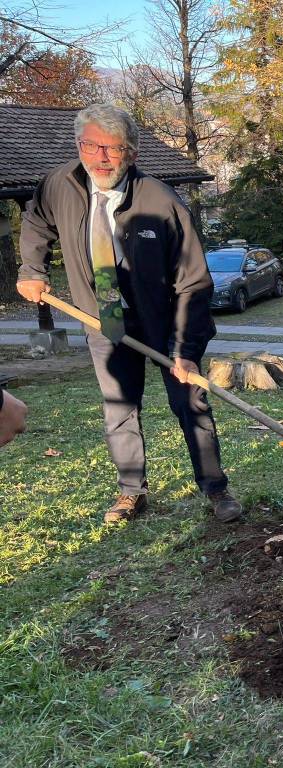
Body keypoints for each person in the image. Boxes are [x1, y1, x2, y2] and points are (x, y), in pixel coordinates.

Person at [16, 102, 243, 524]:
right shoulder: (59, 184)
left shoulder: (161, 201)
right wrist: (32, 269)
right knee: (119, 406)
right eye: (91, 146)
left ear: (133, 153)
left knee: (190, 401)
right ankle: (131, 493)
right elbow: (36, 220)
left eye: (113, 149)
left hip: (163, 320)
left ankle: (216, 490)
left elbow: (193, 282)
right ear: (79, 145)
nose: (100, 157)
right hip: (103, 318)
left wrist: (185, 347)